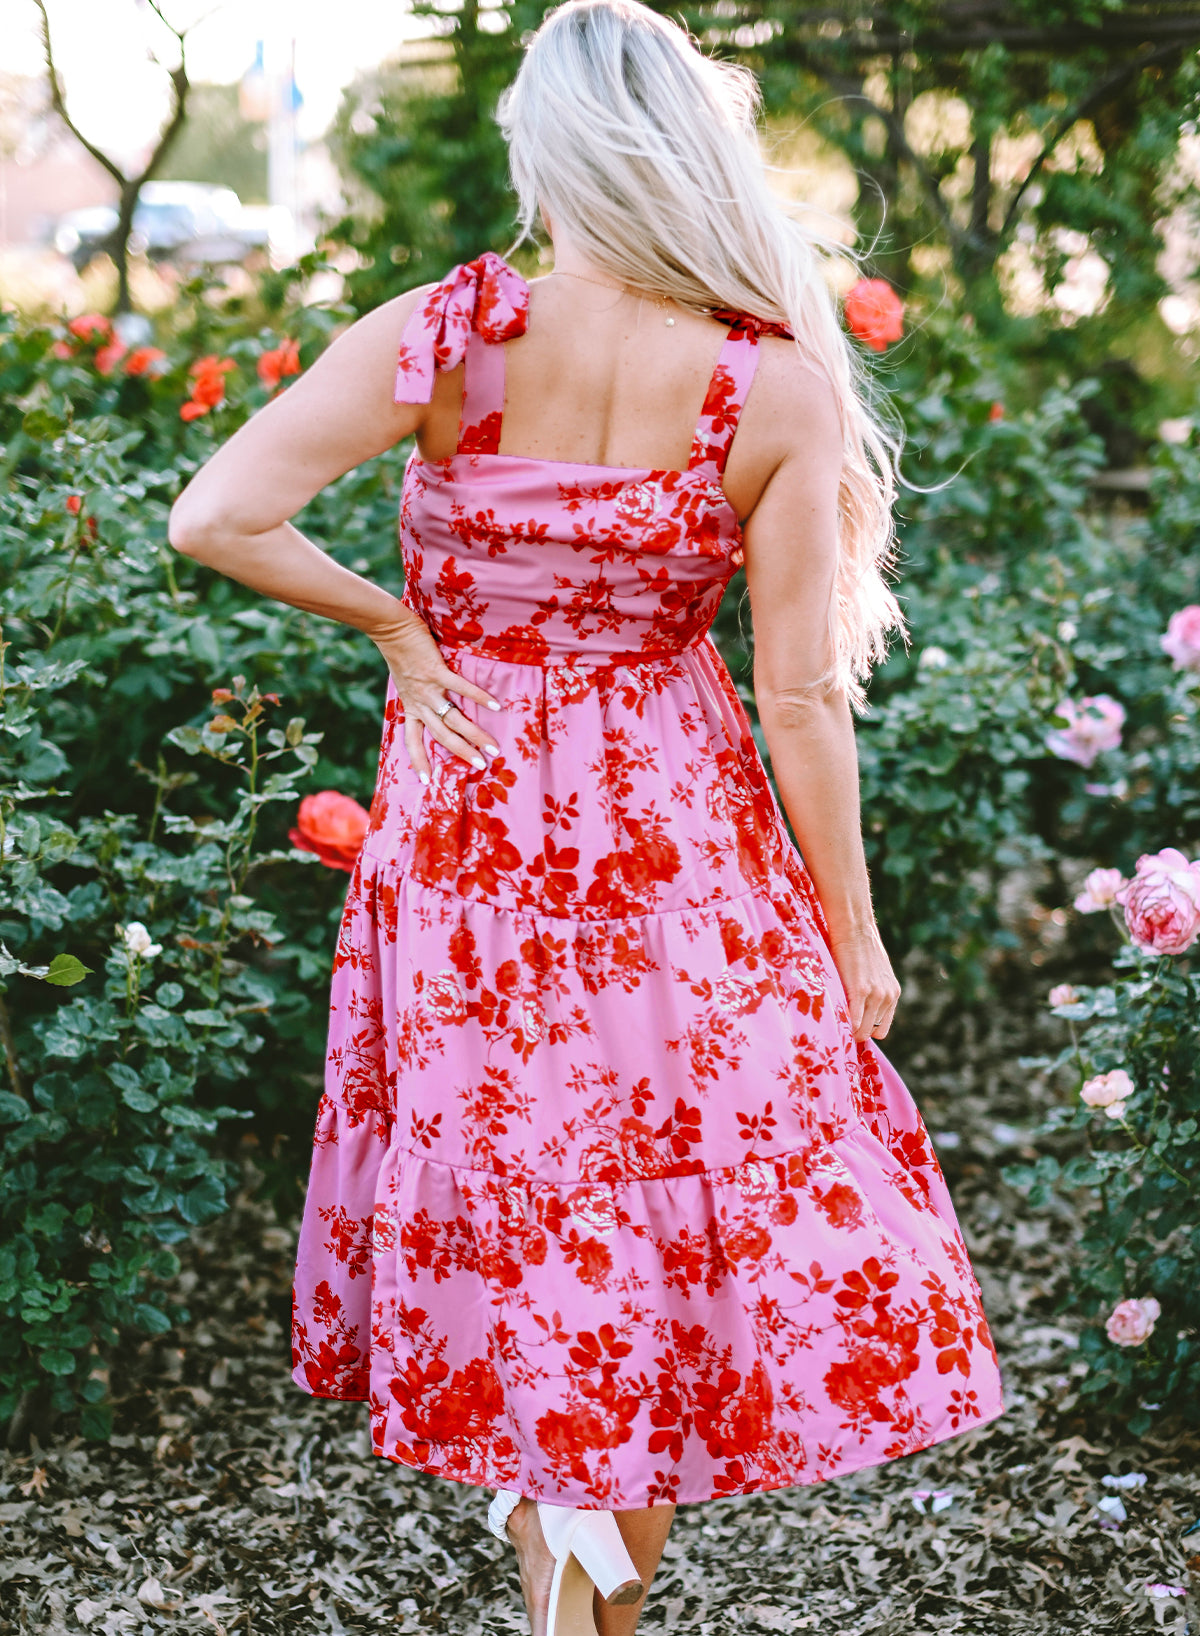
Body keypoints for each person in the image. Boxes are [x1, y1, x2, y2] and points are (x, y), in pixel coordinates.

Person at [169, 1, 1005, 1629]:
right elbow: (804, 698)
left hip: (470, 829)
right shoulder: (769, 382)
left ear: (543, 148)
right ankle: (582, 1608)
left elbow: (218, 516)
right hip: (671, 838)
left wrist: (402, 628)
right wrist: (851, 927)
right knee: (649, 1222)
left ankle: (570, 1597)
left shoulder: (450, 334)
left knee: (535, 1214)